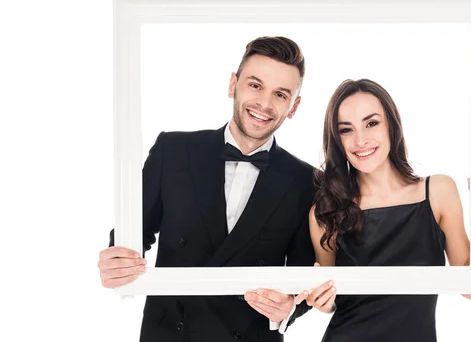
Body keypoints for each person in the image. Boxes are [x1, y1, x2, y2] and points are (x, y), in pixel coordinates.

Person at [98, 36, 317, 342]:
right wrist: (117, 261)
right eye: (255, 85)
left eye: (280, 94)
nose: (265, 104)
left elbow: (306, 276)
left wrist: (290, 308)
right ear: (233, 85)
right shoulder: (173, 150)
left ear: (293, 107)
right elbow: (133, 234)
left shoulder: (308, 182)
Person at [302, 78, 471, 342]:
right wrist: (323, 303)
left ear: (391, 125)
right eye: (346, 129)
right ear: (336, 139)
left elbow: (470, 288)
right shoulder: (325, 212)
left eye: (371, 123)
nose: (361, 140)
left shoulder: (438, 191)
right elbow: (332, 298)